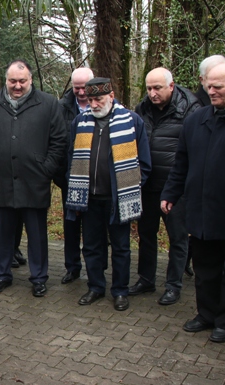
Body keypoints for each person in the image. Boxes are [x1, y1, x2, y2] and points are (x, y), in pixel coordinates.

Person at [162, 63, 225, 343]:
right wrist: (170, 194)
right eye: (208, 86)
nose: (211, 91)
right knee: (205, 268)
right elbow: (182, 163)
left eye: (218, 87)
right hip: (201, 210)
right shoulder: (195, 120)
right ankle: (206, 314)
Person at [0, 59, 67, 298]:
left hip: (34, 179)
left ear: (31, 80)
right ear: (6, 80)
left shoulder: (48, 103)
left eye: (22, 81)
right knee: (2, 232)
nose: (17, 86)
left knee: (36, 234)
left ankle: (39, 278)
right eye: (12, 81)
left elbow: (59, 141)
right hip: (0, 179)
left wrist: (46, 168)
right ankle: (2, 275)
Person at [66, 77, 151, 311]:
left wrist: (129, 187)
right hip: (89, 199)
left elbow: (144, 163)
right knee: (92, 245)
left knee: (121, 246)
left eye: (99, 99)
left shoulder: (132, 121)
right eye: (90, 99)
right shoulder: (79, 123)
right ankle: (95, 287)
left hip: (118, 199)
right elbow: (71, 159)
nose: (93, 104)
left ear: (111, 97)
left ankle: (120, 291)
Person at [130, 67, 200, 306]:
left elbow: (195, 151)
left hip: (176, 189)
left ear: (171, 86)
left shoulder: (191, 109)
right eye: (149, 88)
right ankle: (146, 279)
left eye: (157, 88)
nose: (152, 93)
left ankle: (173, 285)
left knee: (177, 238)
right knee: (146, 235)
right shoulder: (142, 109)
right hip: (147, 185)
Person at [55, 67, 94, 284]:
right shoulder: (61, 107)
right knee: (71, 226)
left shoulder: (101, 104)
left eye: (84, 88)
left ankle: (94, 267)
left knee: (92, 228)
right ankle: (72, 267)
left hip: (95, 180)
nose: (80, 92)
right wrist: (61, 176)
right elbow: (57, 143)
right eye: (76, 87)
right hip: (68, 178)